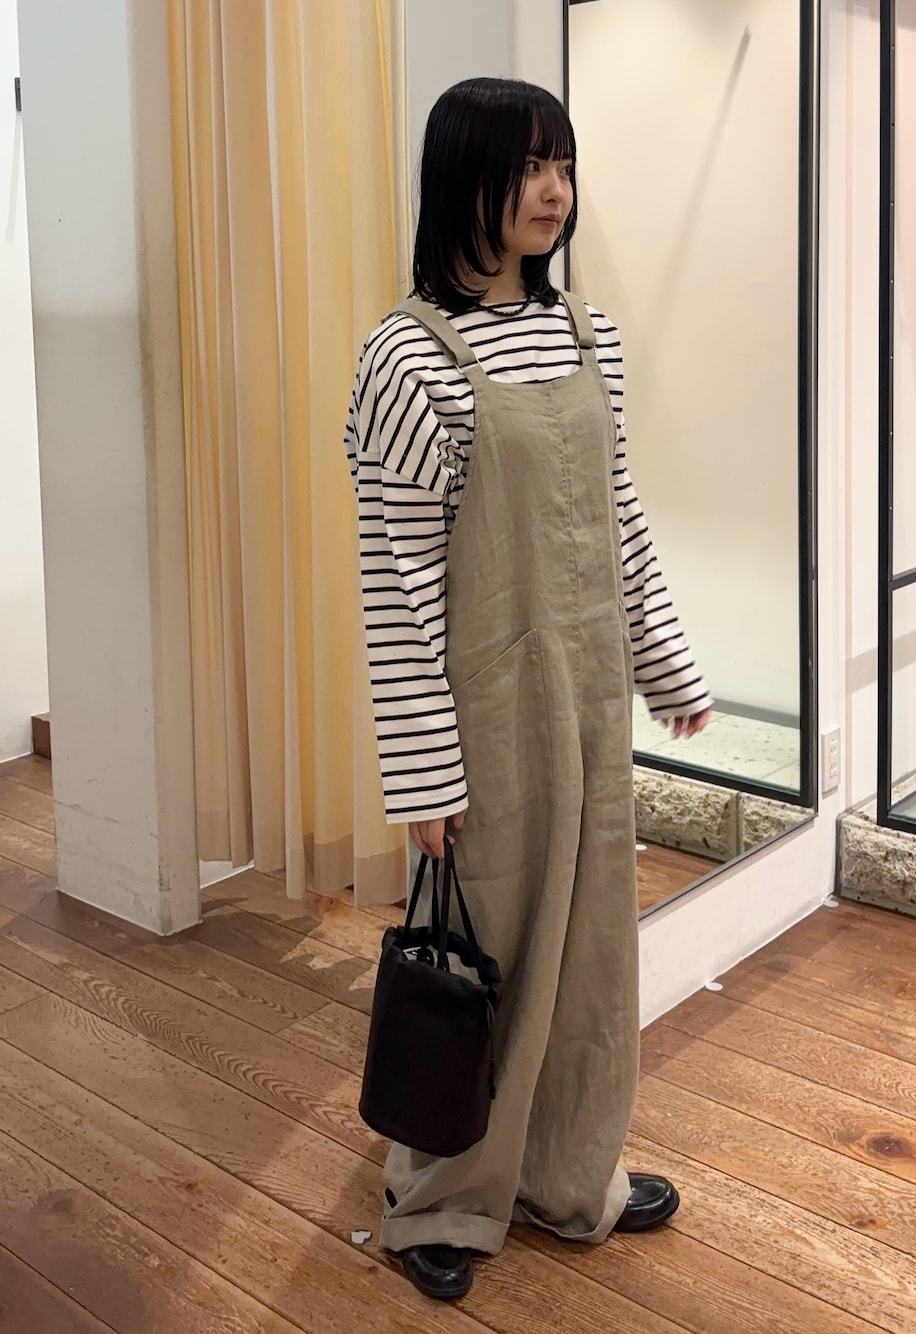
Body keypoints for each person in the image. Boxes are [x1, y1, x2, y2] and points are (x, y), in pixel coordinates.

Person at [344, 76, 712, 1303]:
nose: (554, 190)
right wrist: (422, 772)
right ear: (464, 176)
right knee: (478, 964)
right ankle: (441, 1196)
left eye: (563, 164)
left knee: (592, 956)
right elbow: (395, 584)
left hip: (590, 703)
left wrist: (667, 666)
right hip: (486, 719)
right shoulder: (406, 357)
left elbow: (616, 519)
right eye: (527, 165)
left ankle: (566, 1175)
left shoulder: (582, 332)